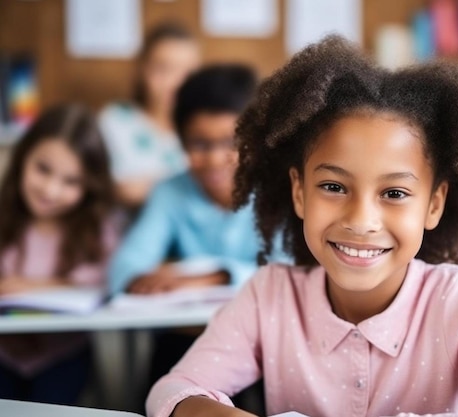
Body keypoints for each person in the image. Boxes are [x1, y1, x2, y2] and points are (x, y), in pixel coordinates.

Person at [146, 36, 458, 417]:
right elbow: (172, 391)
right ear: (299, 192)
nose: (361, 220)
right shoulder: (269, 299)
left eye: (394, 193)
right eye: (333, 186)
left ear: (434, 204)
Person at [108, 64, 272, 389]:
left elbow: (292, 275)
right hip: (187, 341)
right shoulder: (171, 192)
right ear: (181, 141)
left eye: (230, 143)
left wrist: (211, 278)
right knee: (167, 383)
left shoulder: (277, 192)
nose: (214, 159)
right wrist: (144, 279)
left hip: (262, 337)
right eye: (199, 144)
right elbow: (122, 269)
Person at [0, 104, 119, 404]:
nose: (51, 191)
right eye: (43, 169)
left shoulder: (96, 226)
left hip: (63, 355)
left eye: (72, 181)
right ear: (23, 157)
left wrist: (35, 286)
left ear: (90, 185)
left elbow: (110, 278)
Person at [99, 21, 201, 209]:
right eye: (164, 69)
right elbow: (118, 188)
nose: (175, 82)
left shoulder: (202, 130)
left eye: (187, 72)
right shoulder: (115, 120)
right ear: (142, 69)